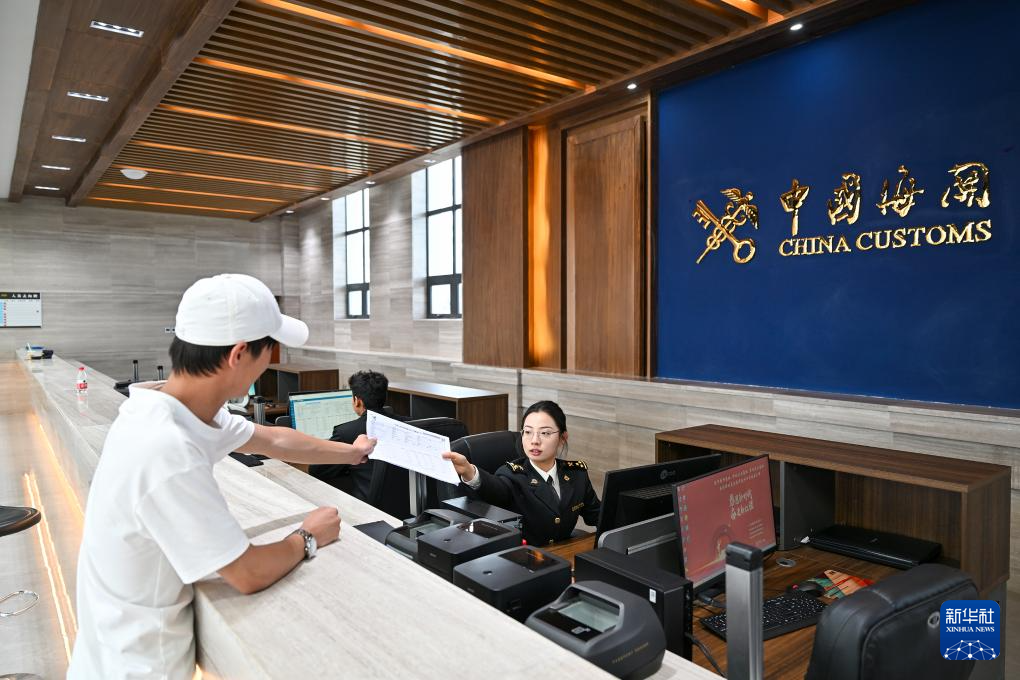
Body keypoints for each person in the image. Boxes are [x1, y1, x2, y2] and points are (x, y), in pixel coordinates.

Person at [69, 274, 376, 680]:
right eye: (270, 350)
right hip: (136, 666)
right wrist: (308, 536)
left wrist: (351, 452)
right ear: (239, 354)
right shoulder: (166, 446)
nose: (270, 363)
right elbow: (247, 573)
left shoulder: (174, 408)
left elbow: (274, 439)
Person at [443, 400, 601, 545]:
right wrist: (470, 471)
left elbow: (597, 516)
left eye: (545, 433)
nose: (535, 440)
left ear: (562, 438)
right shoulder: (512, 475)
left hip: (565, 553)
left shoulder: (577, 474)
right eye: (528, 432)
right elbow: (495, 490)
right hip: (525, 558)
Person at [309, 369, 409, 500]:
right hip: (405, 502)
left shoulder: (345, 432)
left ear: (357, 401)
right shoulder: (409, 424)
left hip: (368, 506)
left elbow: (317, 471)